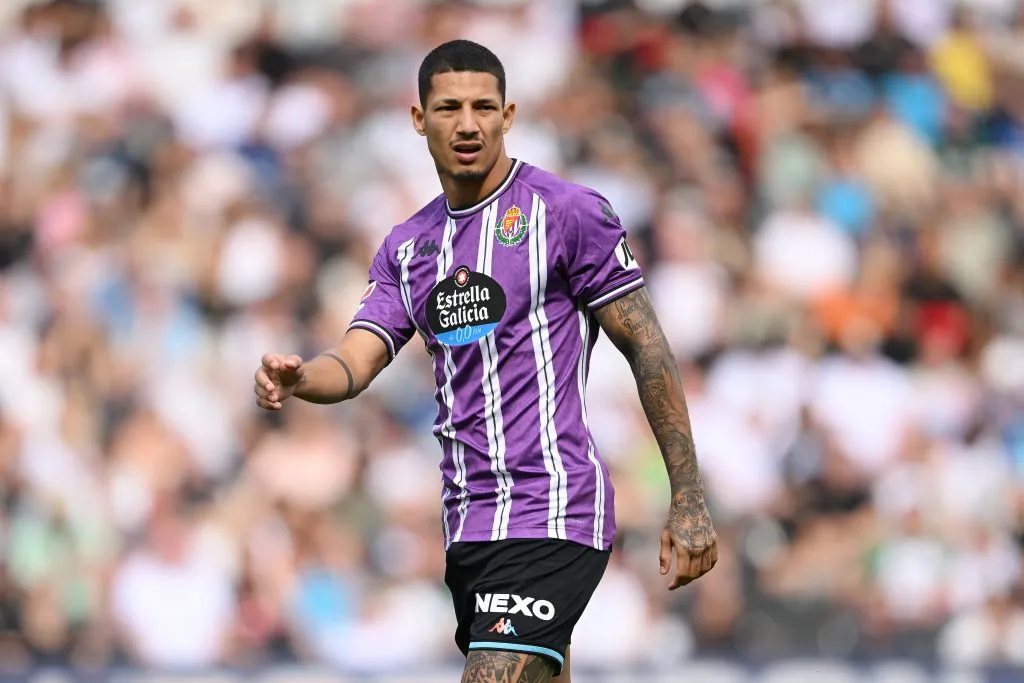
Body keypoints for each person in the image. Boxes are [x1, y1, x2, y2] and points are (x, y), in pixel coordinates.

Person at [253, 39, 718, 683]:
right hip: (470, 521)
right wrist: (304, 377)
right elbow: (356, 360)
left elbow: (646, 344)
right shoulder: (409, 248)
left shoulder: (566, 215)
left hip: (553, 505)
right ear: (419, 119)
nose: (467, 124)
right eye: (448, 108)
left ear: (509, 115)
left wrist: (688, 497)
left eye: (483, 107)